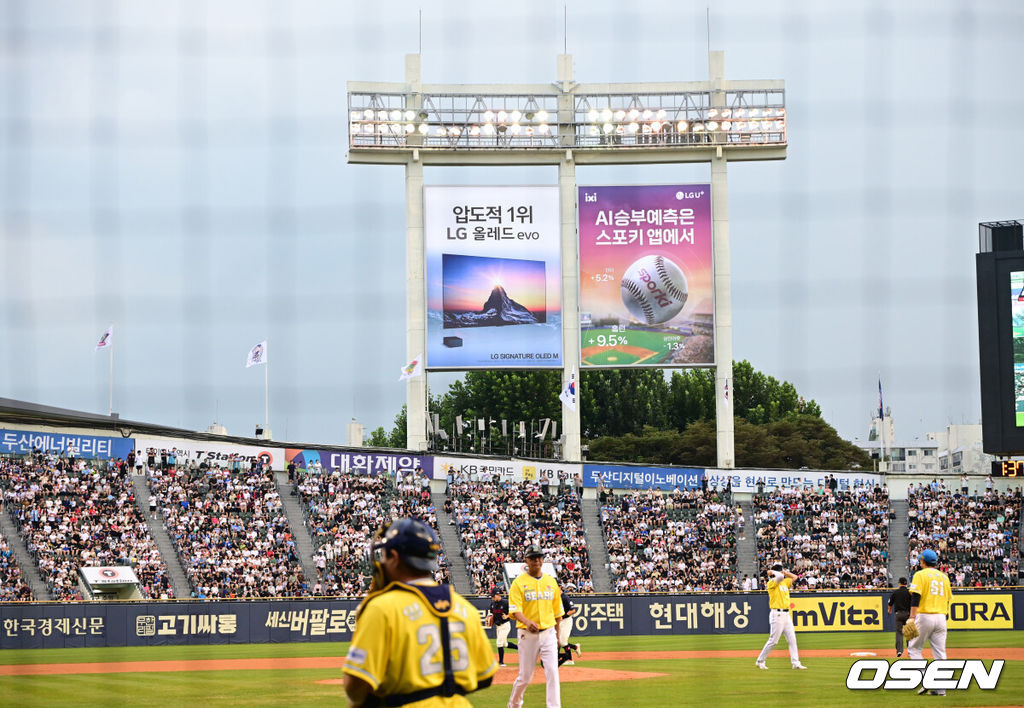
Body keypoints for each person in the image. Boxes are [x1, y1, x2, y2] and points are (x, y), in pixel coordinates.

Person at [342, 518, 496, 708]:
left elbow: (356, 685)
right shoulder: (465, 607)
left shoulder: (381, 608)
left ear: (395, 558)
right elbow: (485, 676)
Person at [507, 545, 563, 708]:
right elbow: (515, 610)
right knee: (525, 676)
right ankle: (514, 704)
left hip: (549, 633)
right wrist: (527, 622)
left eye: (539, 557)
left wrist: (557, 636)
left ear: (543, 560)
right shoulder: (518, 583)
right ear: (526, 560)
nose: (536, 560)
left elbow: (558, 613)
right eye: (532, 557)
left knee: (553, 672)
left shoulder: (551, 582)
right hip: (527, 635)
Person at [906, 549, 953, 696]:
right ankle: (941, 689)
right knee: (940, 653)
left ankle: (928, 679)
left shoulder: (920, 575)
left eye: (920, 560)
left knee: (914, 649)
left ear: (923, 561)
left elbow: (916, 597)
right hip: (941, 617)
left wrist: (912, 617)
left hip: (925, 615)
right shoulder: (944, 577)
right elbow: (948, 599)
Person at [755, 563, 807, 670]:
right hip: (777, 614)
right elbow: (779, 577)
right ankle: (760, 660)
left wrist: (785, 572)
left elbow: (795, 577)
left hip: (786, 614)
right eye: (780, 571)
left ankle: (796, 662)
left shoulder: (784, 582)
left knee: (792, 639)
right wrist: (772, 572)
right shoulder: (771, 583)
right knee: (773, 640)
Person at [487, 588, 518, 666]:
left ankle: (501, 662)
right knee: (504, 644)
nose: (492, 598)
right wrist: (489, 617)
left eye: (493, 596)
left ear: (498, 595)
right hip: (498, 626)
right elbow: (491, 613)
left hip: (505, 625)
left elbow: (514, 612)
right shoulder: (492, 604)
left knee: (499, 643)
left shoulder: (505, 602)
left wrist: (507, 616)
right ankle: (520, 649)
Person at [887, 577, 912, 657]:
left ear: (899, 583)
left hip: (898, 614)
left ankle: (899, 651)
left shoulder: (896, 592)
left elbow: (890, 603)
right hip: (908, 614)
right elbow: (913, 604)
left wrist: (889, 610)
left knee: (899, 633)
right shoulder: (910, 592)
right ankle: (910, 651)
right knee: (909, 633)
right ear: (906, 583)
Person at [556, 591, 582, 667]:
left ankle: (570, 659)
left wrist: (563, 617)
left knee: (563, 642)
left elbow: (573, 610)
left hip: (566, 620)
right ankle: (575, 647)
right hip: (558, 620)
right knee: (556, 641)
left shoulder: (564, 597)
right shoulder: (554, 597)